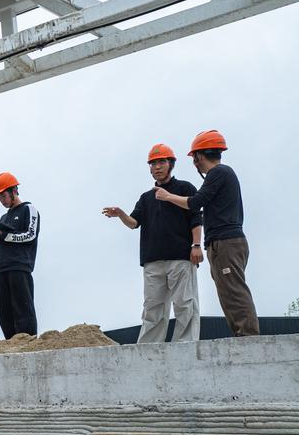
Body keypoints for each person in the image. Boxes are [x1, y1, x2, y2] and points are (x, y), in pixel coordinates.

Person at [154, 130, 259, 336]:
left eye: (194, 156)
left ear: (199, 156)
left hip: (226, 242)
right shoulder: (221, 174)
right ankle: (242, 335)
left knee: (233, 290)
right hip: (222, 242)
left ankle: (249, 337)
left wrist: (168, 196)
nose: (194, 162)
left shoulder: (219, 173)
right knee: (227, 292)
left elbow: (195, 202)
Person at [102, 144, 203, 343]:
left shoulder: (185, 188)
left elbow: (196, 218)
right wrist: (121, 214)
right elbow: (134, 223)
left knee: (185, 304)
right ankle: (148, 350)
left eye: (161, 162)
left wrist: (197, 245)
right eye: (153, 163)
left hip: (181, 258)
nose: (157, 167)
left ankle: (186, 345)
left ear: (171, 164)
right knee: (152, 308)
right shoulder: (146, 198)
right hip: (153, 261)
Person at [0, 172, 39, 339]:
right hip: (0, 269)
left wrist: (3, 235)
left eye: (3, 196)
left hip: (19, 267)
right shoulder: (4, 217)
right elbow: (3, 242)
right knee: (4, 312)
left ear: (14, 191)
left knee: (23, 309)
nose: (2, 200)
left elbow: (30, 235)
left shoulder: (29, 209)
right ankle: (11, 344)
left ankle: (29, 343)